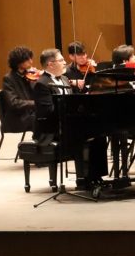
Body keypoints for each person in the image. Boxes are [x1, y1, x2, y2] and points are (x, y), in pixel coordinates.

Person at [33, 48, 107, 187]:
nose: (64, 63)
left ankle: (95, 177)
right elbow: (47, 112)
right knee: (83, 135)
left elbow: (73, 101)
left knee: (100, 134)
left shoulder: (65, 79)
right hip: (51, 129)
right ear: (50, 64)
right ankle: (83, 180)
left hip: (68, 123)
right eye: (61, 60)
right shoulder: (41, 84)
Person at [1, 46, 37, 132]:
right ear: (18, 62)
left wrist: (38, 78)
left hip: (31, 113)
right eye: (27, 59)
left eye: (30, 58)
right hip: (18, 118)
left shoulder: (30, 75)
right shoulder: (9, 79)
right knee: (44, 120)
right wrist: (35, 103)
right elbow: (14, 103)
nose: (31, 62)